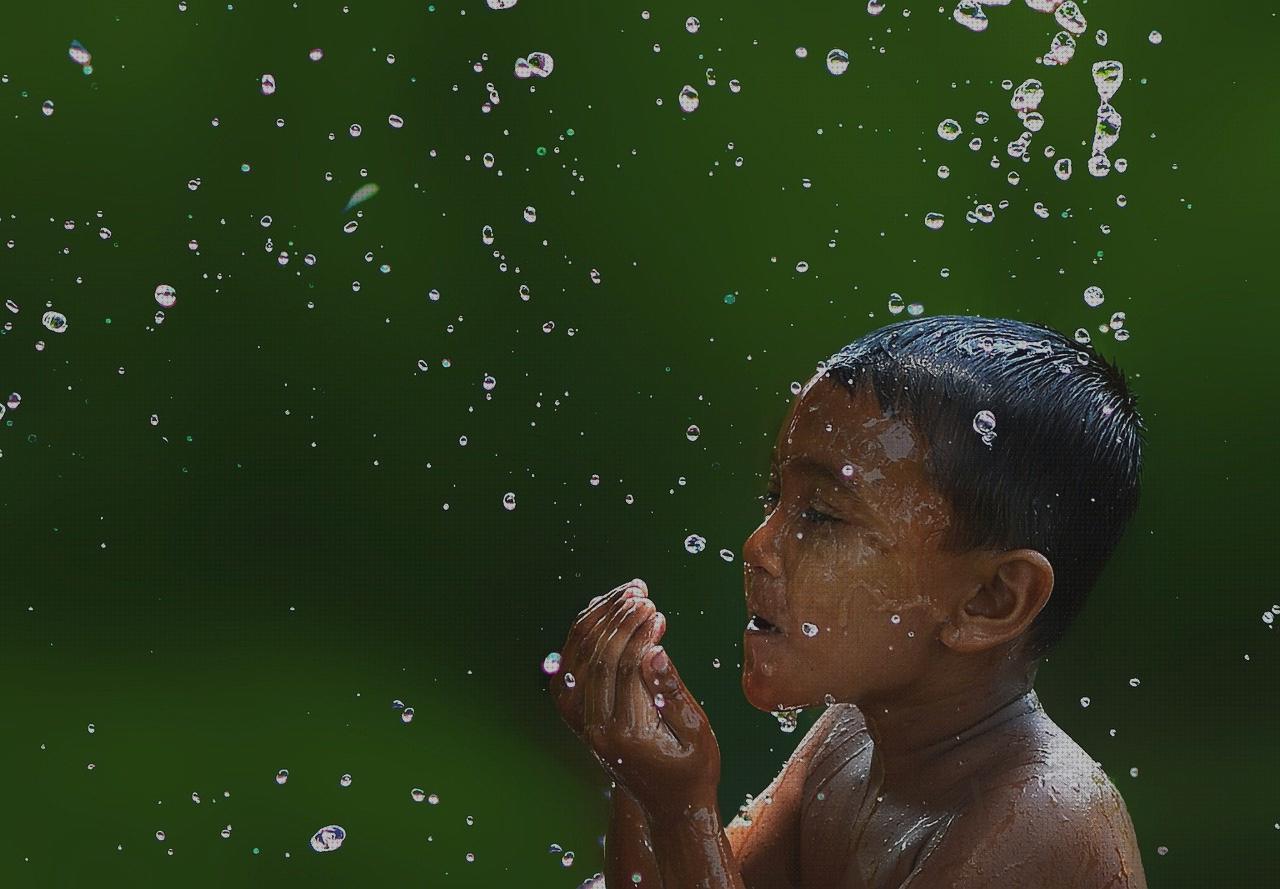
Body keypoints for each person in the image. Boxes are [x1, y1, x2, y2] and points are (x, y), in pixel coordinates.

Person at [552, 316, 1149, 888]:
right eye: (773, 498)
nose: (757, 546)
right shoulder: (853, 741)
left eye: (821, 514)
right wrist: (638, 781)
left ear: (989, 599)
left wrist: (681, 814)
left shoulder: (1044, 822)